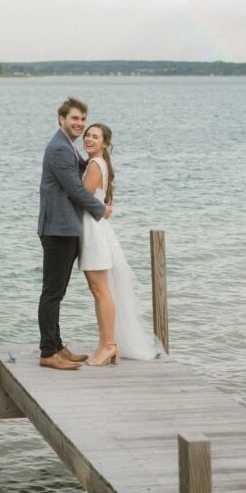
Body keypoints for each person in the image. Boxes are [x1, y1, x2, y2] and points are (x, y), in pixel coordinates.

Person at [37, 97, 112, 370]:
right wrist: (100, 209)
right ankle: (48, 352)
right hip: (58, 229)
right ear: (62, 119)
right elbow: (75, 189)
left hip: (65, 228)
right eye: (74, 119)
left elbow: (83, 171)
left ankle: (57, 346)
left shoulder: (66, 145)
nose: (79, 124)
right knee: (52, 293)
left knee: (57, 292)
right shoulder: (59, 148)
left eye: (82, 119)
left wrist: (99, 163)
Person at [79, 123, 163, 365]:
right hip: (96, 228)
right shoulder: (100, 164)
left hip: (93, 231)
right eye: (87, 135)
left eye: (95, 137)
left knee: (100, 291)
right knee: (100, 290)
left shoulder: (95, 165)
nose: (89, 139)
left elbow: (81, 198)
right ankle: (107, 344)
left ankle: (108, 345)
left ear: (105, 143)